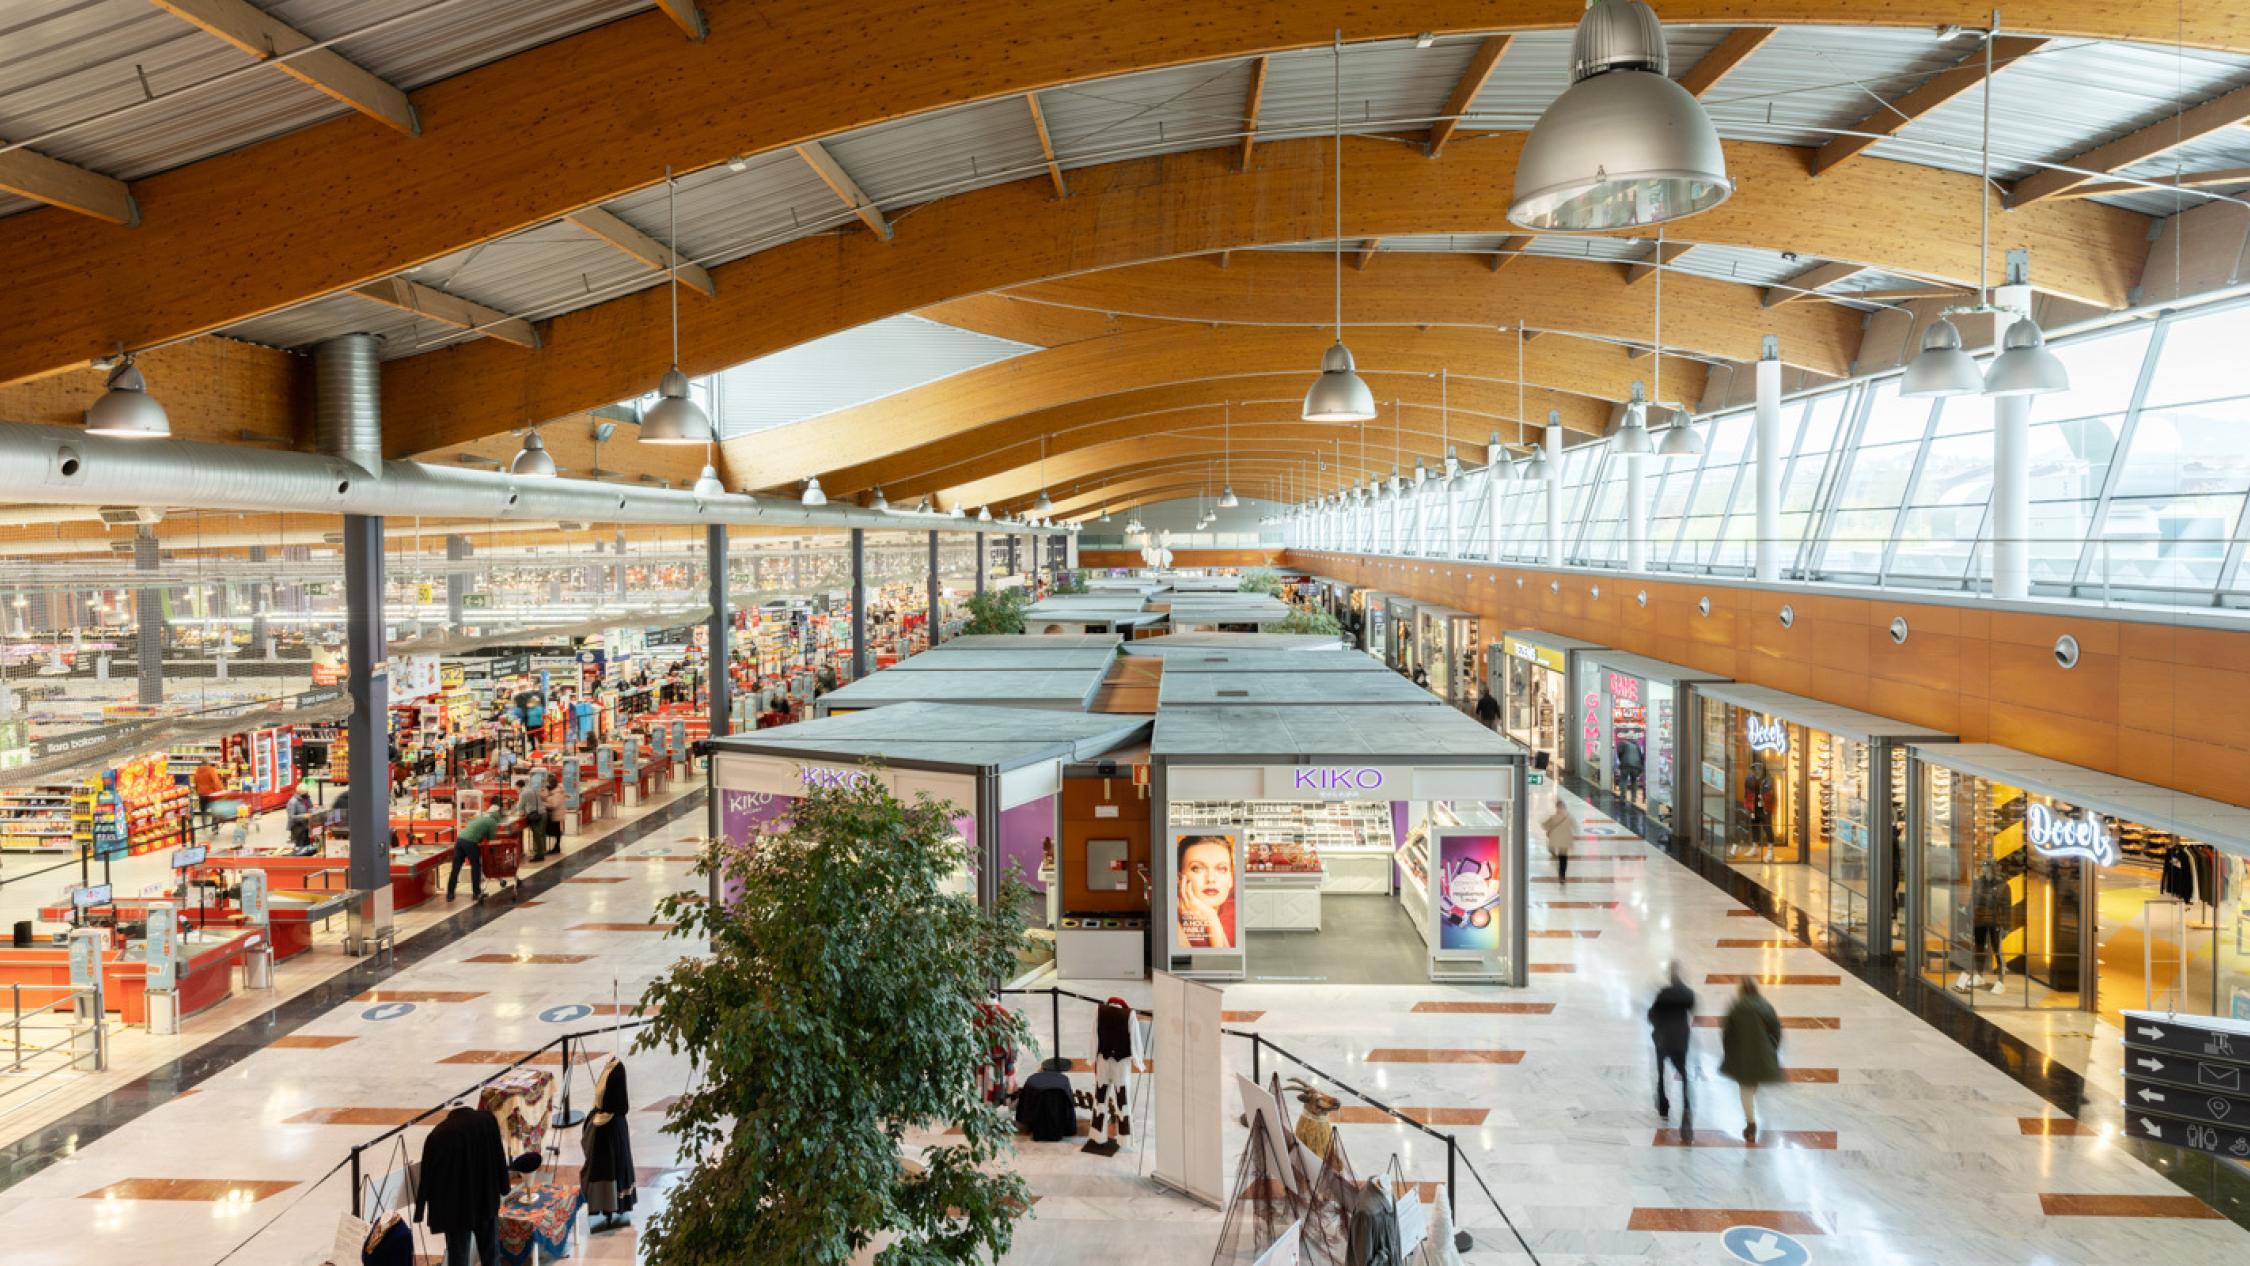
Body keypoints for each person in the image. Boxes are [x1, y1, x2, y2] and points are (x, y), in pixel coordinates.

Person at [1719, 978, 1784, 1143]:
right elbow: (1776, 1030)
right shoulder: (1766, 1005)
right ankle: (1751, 1117)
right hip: (1762, 1055)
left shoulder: (1736, 1007)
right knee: (1751, 1085)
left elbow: (1727, 1034)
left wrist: (1729, 1052)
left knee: (1745, 1089)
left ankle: (1751, 1124)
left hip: (1742, 1055)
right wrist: (1771, 1048)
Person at [1647, 963, 1697, 1140]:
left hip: (1663, 1039)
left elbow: (1652, 1015)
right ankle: (1686, 1108)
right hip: (1681, 1039)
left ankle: (1663, 1103)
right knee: (1683, 1073)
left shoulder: (1663, 994)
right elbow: (1692, 1009)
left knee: (1661, 1071)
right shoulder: (1688, 994)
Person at [1175, 835, 1235, 951]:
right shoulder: (1169, 918)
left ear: (1231, 879)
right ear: (1179, 878)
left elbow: (1224, 961)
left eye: (1221, 869)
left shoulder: (1237, 914)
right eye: (1197, 868)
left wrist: (1211, 919)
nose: (1211, 879)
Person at [448, 807, 501, 902]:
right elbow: (492, 840)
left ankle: (450, 894)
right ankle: (476, 893)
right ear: (497, 816)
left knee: (456, 868)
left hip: (460, 840)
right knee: (476, 867)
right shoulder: (492, 822)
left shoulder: (481, 818)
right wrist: (494, 853)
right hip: (471, 843)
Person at [1541, 797, 1574, 885]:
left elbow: (1544, 825)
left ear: (1556, 807)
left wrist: (1548, 827)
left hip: (1555, 840)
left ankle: (1560, 872)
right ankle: (1562, 875)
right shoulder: (1568, 817)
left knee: (1559, 856)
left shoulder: (1553, 817)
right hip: (1565, 841)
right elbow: (1574, 826)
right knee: (1563, 858)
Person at [285, 787, 317, 854]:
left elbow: (310, 807)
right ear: (299, 792)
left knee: (307, 846)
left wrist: (314, 809)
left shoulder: (307, 798)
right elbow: (291, 817)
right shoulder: (293, 802)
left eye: (307, 792)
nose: (307, 794)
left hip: (307, 825)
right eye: (305, 792)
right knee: (300, 847)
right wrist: (304, 816)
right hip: (298, 827)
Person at [542, 780, 567, 856]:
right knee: (557, 831)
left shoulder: (557, 793)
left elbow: (554, 805)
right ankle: (556, 847)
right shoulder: (555, 791)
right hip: (556, 814)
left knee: (556, 831)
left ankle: (556, 847)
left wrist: (544, 804)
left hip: (556, 814)